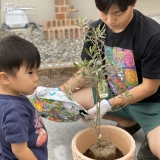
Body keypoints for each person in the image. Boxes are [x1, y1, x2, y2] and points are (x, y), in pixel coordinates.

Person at [59, 0, 160, 159]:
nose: (110, 20)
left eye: (117, 13)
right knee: (68, 101)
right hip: (113, 94)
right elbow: (88, 69)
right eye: (103, 12)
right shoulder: (96, 30)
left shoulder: (152, 36)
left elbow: (149, 87)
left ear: (133, 4)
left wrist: (109, 104)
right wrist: (58, 93)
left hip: (150, 104)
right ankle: (127, 122)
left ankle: (150, 132)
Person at [0, 35, 48, 160]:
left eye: (37, 71)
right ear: (5, 78)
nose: (36, 78)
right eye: (30, 73)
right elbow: (20, 150)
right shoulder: (14, 110)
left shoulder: (10, 98)